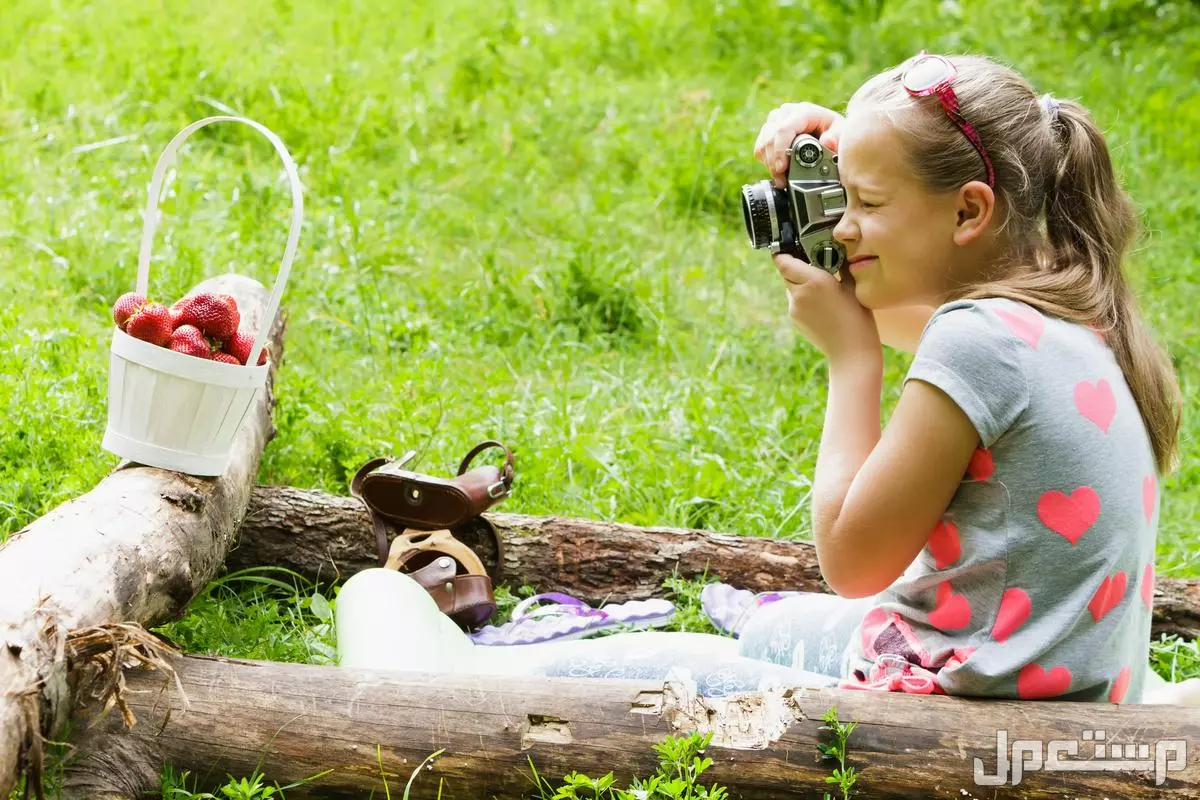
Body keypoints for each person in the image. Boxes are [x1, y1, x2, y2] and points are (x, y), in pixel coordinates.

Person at [740, 51, 1182, 702]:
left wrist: (852, 362)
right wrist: (863, 149)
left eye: (867, 201)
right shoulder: (1060, 313)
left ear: (969, 212)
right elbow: (890, 312)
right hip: (1061, 694)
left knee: (643, 673)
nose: (844, 225)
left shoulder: (977, 342)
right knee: (764, 630)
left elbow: (852, 562)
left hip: (959, 729)